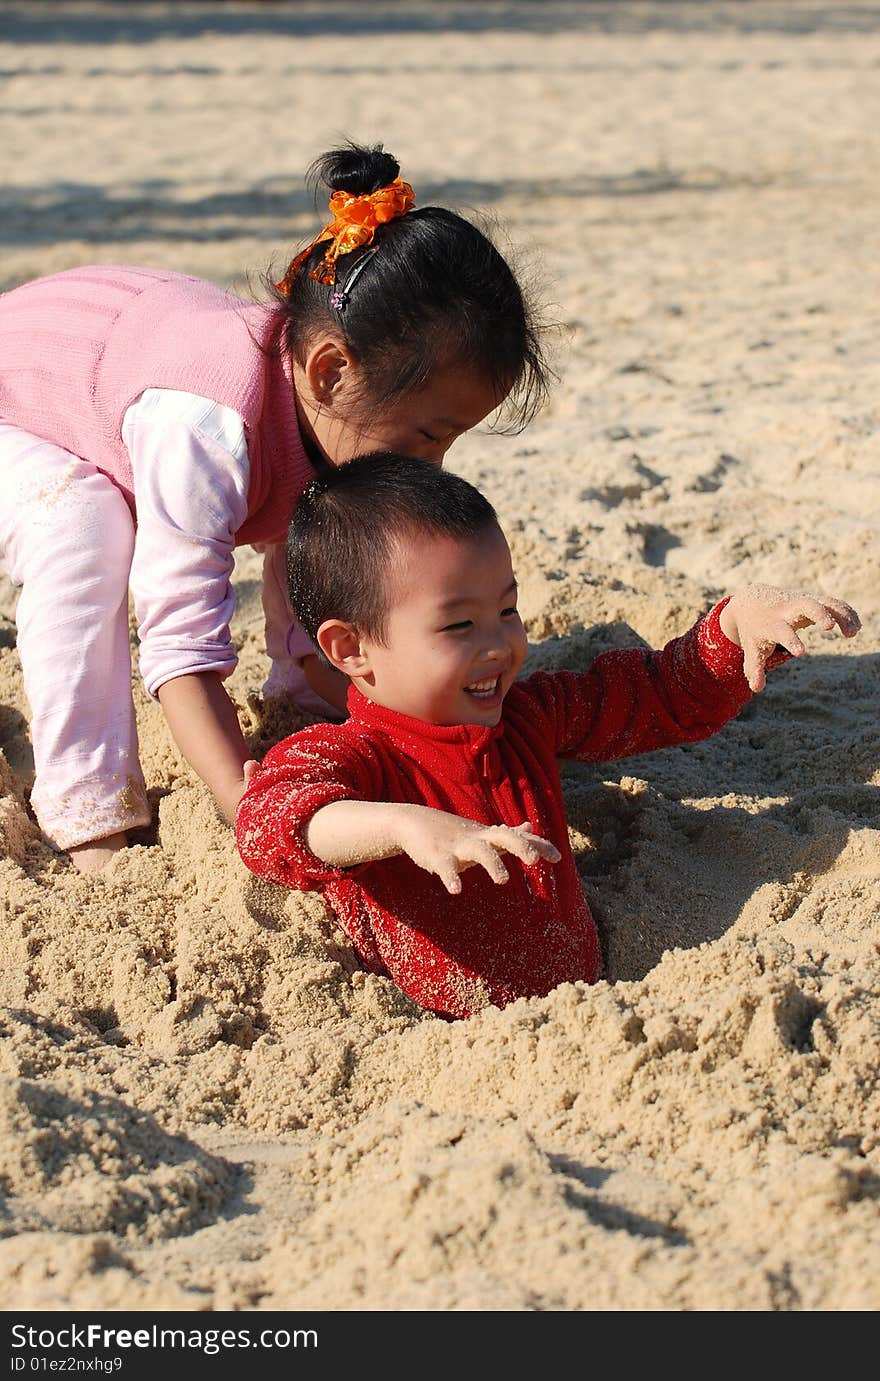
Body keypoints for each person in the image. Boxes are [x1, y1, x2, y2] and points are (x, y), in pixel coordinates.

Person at [0, 142, 550, 872]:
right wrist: (242, 796)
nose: (434, 465)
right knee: (85, 526)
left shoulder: (335, 403)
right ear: (329, 371)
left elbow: (319, 552)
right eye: (428, 435)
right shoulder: (206, 429)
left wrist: (328, 689)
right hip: (26, 404)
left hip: (108, 364)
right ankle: (88, 807)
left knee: (323, 515)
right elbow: (179, 647)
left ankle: (303, 691)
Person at [234, 453, 861, 1022]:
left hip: (593, 1012)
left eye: (507, 610)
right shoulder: (355, 756)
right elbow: (268, 822)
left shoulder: (527, 717)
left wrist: (730, 629)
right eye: (458, 625)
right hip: (452, 1047)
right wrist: (401, 826)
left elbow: (657, 696)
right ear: (353, 648)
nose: (499, 644)